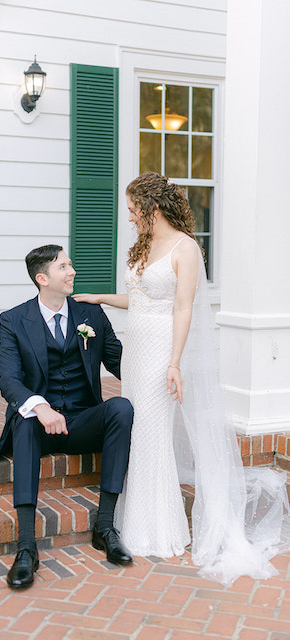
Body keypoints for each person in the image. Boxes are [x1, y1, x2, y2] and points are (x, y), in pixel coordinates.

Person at [74, 171, 290, 586]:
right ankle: (134, 518)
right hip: (136, 347)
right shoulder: (144, 243)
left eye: (135, 210)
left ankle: (159, 528)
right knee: (139, 429)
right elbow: (139, 298)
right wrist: (101, 297)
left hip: (161, 351)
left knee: (154, 431)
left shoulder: (186, 247)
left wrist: (174, 362)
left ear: (152, 208)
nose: (131, 217)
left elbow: (182, 308)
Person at [0, 244, 134, 589]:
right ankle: (26, 546)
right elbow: (8, 379)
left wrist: (168, 368)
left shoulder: (92, 316)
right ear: (43, 278)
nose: (72, 272)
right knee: (24, 418)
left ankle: (105, 527)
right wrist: (40, 406)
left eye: (70, 265)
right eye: (64, 267)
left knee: (121, 408)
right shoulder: (13, 320)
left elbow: (122, 365)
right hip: (40, 428)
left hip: (83, 420)